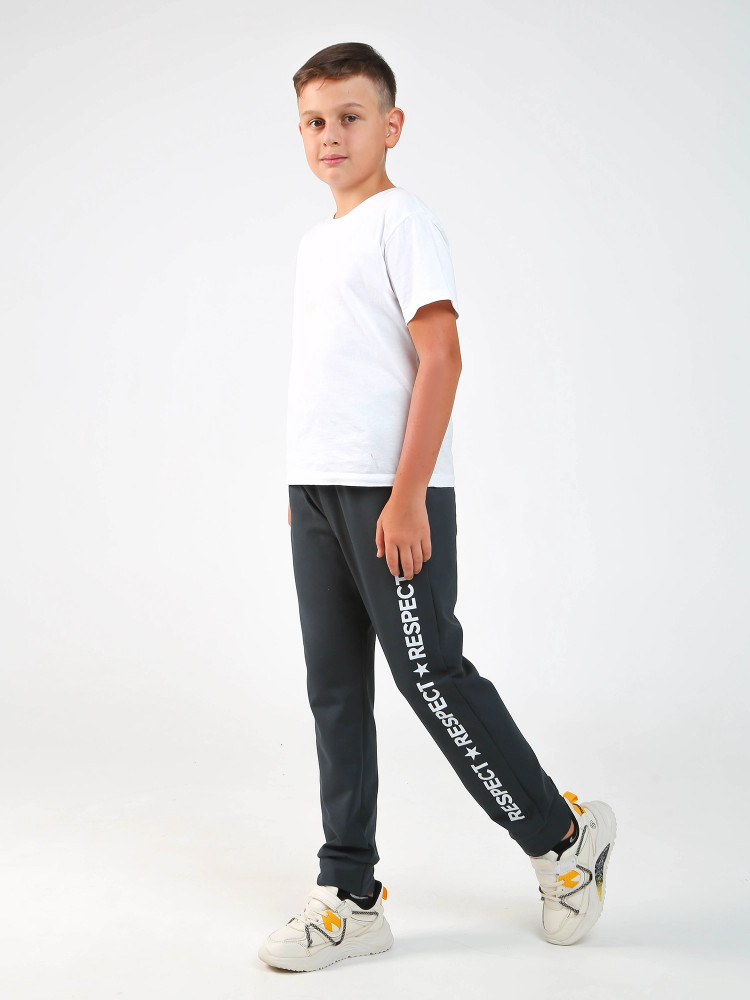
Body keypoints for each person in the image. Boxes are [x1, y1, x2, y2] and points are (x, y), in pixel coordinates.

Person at [258, 41, 615, 974]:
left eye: (350, 117)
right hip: (319, 495)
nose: (331, 135)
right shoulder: (316, 241)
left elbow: (442, 356)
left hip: (394, 497)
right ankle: (350, 896)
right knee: (335, 689)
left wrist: (409, 494)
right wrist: (303, 491)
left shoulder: (402, 221)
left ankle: (563, 837)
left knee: (431, 678)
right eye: (314, 121)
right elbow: (335, 373)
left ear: (392, 125)